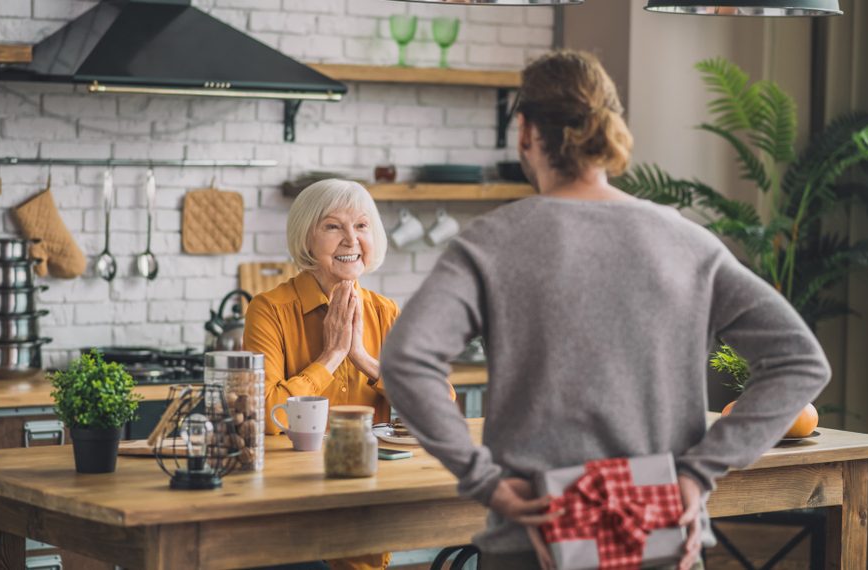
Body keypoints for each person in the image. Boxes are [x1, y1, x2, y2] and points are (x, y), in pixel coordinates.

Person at [379, 50, 831, 570]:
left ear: (525, 131)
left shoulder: (493, 242)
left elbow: (406, 359)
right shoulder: (686, 242)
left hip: (536, 541)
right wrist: (697, 473)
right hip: (662, 539)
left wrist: (485, 480)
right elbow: (801, 362)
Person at [243, 178, 395, 570]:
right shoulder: (269, 309)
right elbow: (265, 415)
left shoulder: (385, 312)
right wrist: (331, 356)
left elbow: (438, 405)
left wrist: (362, 357)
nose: (350, 239)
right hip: (289, 512)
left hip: (365, 500)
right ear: (306, 239)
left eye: (361, 226)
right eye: (332, 226)